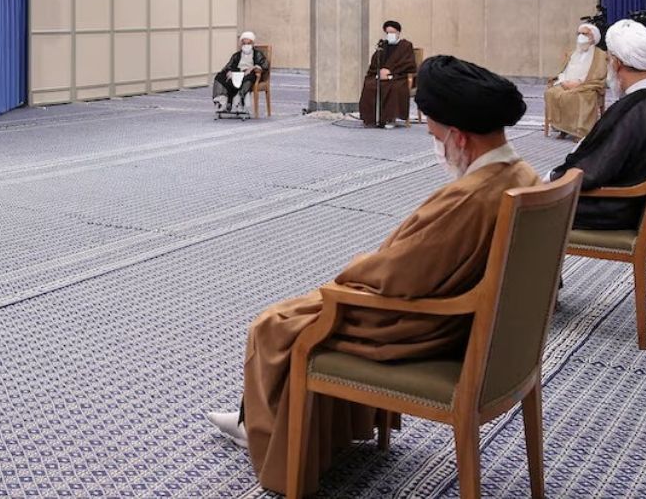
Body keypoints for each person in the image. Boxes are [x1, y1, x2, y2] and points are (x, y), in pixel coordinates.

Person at [204, 56, 538, 496]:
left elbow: (398, 275)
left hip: (422, 329)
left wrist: (354, 272)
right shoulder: (522, 174)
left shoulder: (471, 197)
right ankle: (285, 425)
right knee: (302, 311)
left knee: (274, 325)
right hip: (479, 331)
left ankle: (267, 435)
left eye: (434, 133)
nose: (434, 143)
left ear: (460, 137)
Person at [549, 20, 646, 230]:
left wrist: (553, 179)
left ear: (616, 63)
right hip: (634, 202)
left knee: (514, 209)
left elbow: (595, 170)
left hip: (616, 206)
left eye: (608, 60)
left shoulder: (635, 110)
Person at [544, 23, 608, 139]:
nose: (581, 36)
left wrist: (579, 82)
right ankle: (563, 129)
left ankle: (580, 131)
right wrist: (563, 81)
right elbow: (563, 70)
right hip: (567, 83)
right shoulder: (572, 53)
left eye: (584, 34)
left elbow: (599, 74)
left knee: (578, 97)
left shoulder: (600, 55)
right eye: (579, 33)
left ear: (593, 37)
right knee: (552, 93)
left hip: (586, 85)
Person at [357, 20, 417, 128]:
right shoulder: (383, 45)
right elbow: (375, 62)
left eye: (392, 33)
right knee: (370, 85)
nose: (390, 35)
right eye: (388, 33)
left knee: (394, 88)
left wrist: (390, 72)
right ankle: (371, 118)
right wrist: (380, 71)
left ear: (398, 32)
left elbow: (408, 63)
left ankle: (390, 118)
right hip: (381, 75)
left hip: (398, 76)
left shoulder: (405, 46)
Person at [213, 31, 268, 114]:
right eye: (244, 43)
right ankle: (222, 102)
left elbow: (264, 65)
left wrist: (253, 67)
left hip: (249, 74)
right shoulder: (236, 55)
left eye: (248, 43)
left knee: (248, 78)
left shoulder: (258, 54)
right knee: (220, 76)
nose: (246, 46)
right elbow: (228, 66)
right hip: (237, 73)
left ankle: (239, 101)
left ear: (252, 44)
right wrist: (229, 71)